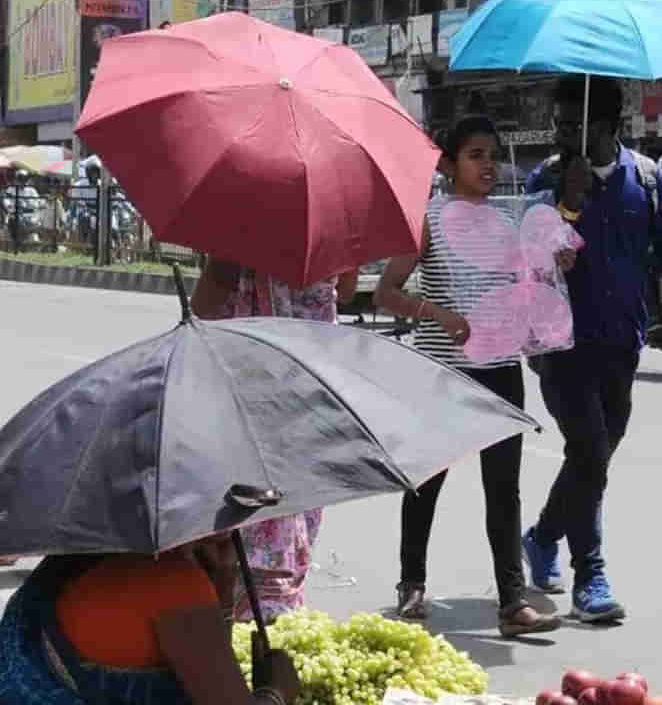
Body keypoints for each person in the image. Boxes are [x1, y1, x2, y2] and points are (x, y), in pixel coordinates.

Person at [521, 75, 662, 622]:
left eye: (570, 124)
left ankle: (544, 534)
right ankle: (591, 577)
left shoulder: (649, 180)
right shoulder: (546, 179)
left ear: (608, 128)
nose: (560, 133)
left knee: (594, 455)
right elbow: (528, 258)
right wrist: (569, 206)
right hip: (560, 346)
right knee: (590, 452)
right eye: (556, 124)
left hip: (621, 344)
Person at [374, 115, 562, 637]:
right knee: (428, 480)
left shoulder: (506, 226)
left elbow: (519, 294)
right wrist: (436, 313)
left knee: (504, 490)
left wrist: (547, 277)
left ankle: (511, 604)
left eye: (493, 155)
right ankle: (411, 585)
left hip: (500, 370)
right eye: (476, 155)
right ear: (449, 164)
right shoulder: (427, 219)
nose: (488, 165)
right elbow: (386, 292)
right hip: (443, 372)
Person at [190, 259, 357, 622]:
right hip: (313, 378)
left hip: (250, 380)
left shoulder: (239, 229)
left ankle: (254, 609)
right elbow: (345, 289)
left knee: (253, 498)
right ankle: (274, 608)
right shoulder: (330, 230)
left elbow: (203, 307)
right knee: (297, 497)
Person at [0, 534, 302, 704]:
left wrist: (221, 585)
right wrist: (276, 690)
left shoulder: (79, 551)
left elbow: (201, 670)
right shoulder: (174, 584)